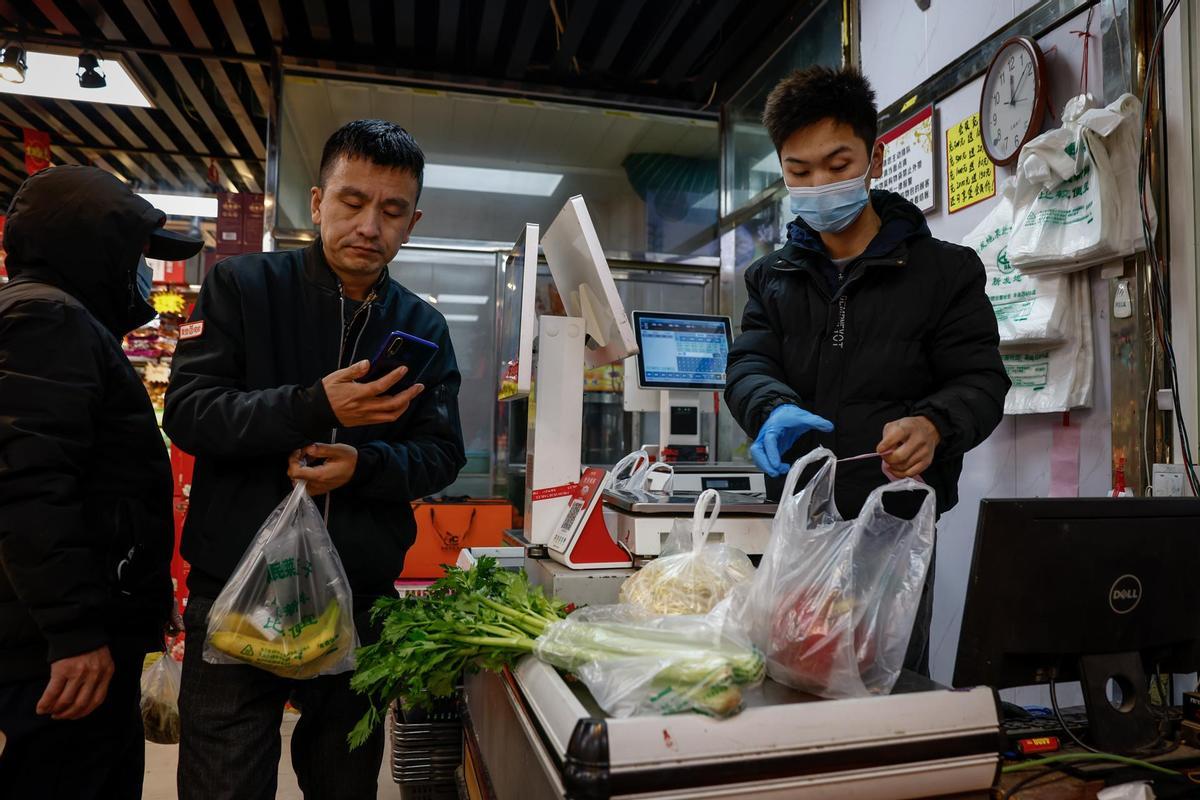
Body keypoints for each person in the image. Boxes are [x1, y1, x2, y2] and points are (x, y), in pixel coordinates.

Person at [164, 119, 466, 799]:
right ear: (316, 201)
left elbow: (442, 454)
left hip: (355, 600)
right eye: (352, 202)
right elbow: (188, 413)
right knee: (222, 782)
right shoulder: (243, 287)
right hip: (236, 591)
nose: (370, 225)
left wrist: (365, 466)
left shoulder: (421, 327)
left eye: (391, 211)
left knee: (344, 783)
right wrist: (310, 405)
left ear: (412, 221)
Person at [724, 67, 1010, 675]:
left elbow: (982, 382)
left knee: (888, 688)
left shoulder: (945, 273)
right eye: (799, 172)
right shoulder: (771, 277)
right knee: (789, 682)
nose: (819, 183)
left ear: (873, 158)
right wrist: (768, 406)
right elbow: (748, 361)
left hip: (896, 532)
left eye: (837, 163)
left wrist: (934, 425)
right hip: (797, 525)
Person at [0, 166, 201, 798]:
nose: (144, 272)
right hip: (53, 653)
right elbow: (28, 487)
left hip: (66, 633)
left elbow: (95, 490)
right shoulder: (46, 322)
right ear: (95, 248)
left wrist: (140, 590)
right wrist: (75, 631)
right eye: (138, 254)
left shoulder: (62, 320)